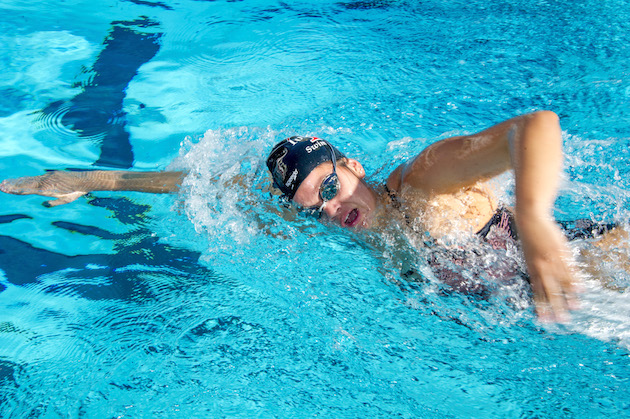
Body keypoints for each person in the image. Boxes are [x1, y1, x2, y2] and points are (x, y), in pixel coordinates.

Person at [0, 111, 587, 322]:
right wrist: (90, 179)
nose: (334, 208)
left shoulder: (423, 182)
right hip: (536, 303)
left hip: (595, 261)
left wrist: (535, 219)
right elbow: (200, 184)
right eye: (316, 206)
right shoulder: (333, 214)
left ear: (352, 165)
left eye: (333, 184)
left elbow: (535, 127)